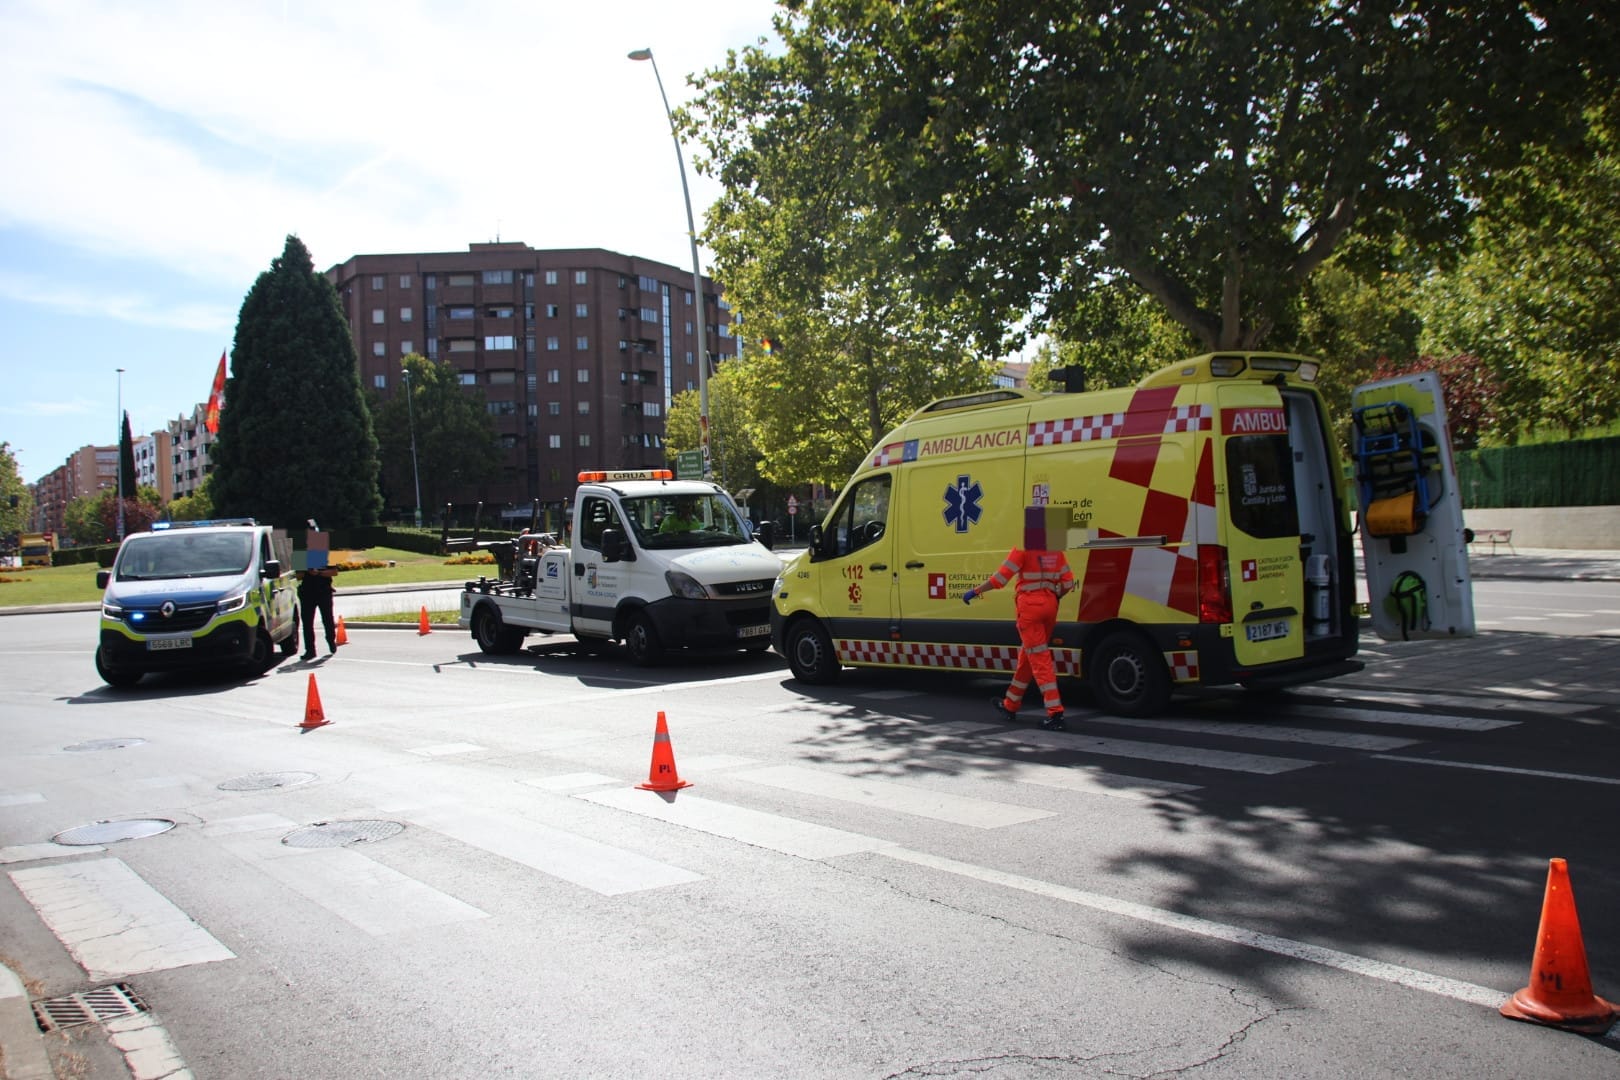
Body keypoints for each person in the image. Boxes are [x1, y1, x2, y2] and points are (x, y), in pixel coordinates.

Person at [963, 535, 1076, 730]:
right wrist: (1054, 596)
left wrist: (976, 591)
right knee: (1028, 657)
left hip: (1030, 609)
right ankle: (1010, 705)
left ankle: (1055, 713)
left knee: (1040, 659)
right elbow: (1067, 583)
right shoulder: (1055, 551)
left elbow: (1000, 579)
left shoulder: (1023, 547)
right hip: (1050, 607)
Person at [297, 566, 339, 659]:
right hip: (307, 593)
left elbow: (334, 572)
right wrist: (307, 571)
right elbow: (298, 576)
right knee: (307, 623)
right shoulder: (300, 553)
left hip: (324, 591)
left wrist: (319, 573)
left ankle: (331, 640)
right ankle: (310, 650)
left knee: (328, 619)